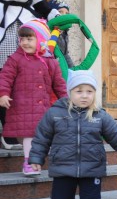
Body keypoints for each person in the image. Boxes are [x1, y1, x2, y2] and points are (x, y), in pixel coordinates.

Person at [29, 70, 117, 199]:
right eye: (79, 91)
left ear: (95, 94)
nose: (84, 96)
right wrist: (36, 158)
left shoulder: (100, 115)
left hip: (92, 168)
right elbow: (42, 137)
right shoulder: (55, 114)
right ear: (69, 92)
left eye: (89, 91)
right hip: (62, 167)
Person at [0, 0, 60, 149]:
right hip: (3, 19)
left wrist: (53, 13)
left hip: (25, 22)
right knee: (5, 72)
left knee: (25, 74)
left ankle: (16, 129)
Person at [0, 19, 67, 175]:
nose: (24, 42)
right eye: (22, 39)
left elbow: (59, 84)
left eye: (29, 39)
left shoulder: (50, 62)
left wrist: (66, 101)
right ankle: (29, 163)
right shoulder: (16, 59)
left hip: (43, 107)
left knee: (42, 135)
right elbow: (5, 77)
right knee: (30, 135)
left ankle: (40, 160)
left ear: (41, 39)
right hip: (22, 106)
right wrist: (3, 93)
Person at [47, 0, 74, 68]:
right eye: (60, 12)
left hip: (61, 68)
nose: (64, 15)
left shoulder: (64, 32)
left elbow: (65, 54)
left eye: (66, 13)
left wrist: (73, 69)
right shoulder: (47, 31)